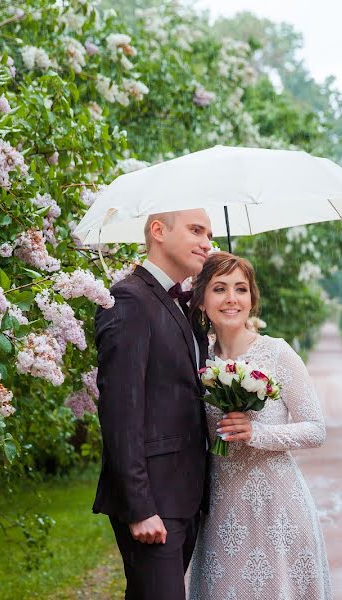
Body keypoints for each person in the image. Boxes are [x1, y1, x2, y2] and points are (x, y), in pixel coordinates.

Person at [186, 251, 333, 599]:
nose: (232, 299)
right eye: (220, 289)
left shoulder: (278, 354)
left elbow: (315, 428)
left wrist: (257, 433)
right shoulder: (196, 357)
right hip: (222, 505)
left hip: (279, 505)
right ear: (202, 299)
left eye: (241, 288)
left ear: (252, 299)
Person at [93, 209, 213, 600]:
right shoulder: (128, 298)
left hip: (186, 490)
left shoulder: (183, 303)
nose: (206, 243)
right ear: (158, 231)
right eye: (196, 230)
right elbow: (119, 409)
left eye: (209, 234)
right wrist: (139, 506)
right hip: (153, 497)